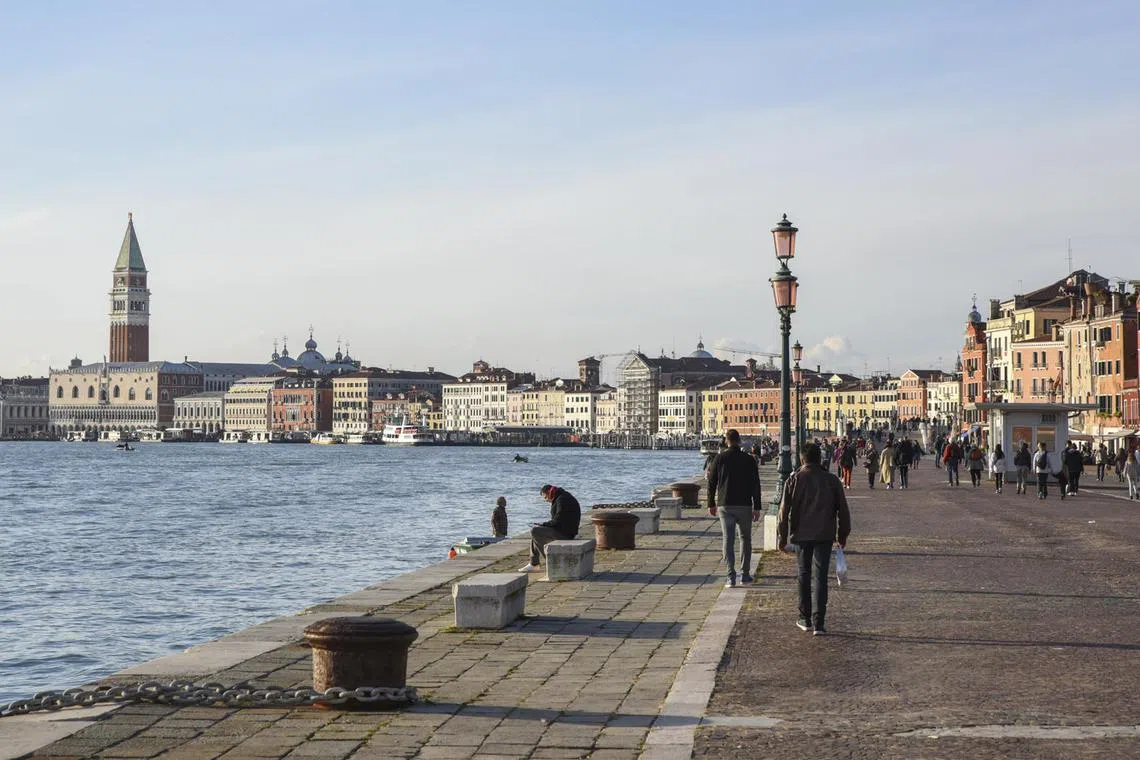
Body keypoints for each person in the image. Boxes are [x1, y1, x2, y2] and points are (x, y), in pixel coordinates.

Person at [777, 443, 852, 637]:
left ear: (802, 459)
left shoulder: (794, 480)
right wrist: (842, 535)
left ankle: (805, 618)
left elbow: (783, 512)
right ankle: (819, 623)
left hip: (801, 535)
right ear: (820, 459)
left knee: (803, 574)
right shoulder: (832, 480)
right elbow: (843, 510)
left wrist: (782, 538)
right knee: (821, 577)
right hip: (825, 534)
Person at [707, 429, 763, 588]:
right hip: (744, 504)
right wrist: (757, 507)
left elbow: (712, 483)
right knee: (745, 540)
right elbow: (755, 485)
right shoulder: (749, 460)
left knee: (728, 540)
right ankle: (745, 575)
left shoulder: (719, 458)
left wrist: (710, 503)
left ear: (726, 441)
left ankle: (730, 577)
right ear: (739, 441)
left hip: (725, 504)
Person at [518, 484, 580, 573]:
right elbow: (558, 520)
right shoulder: (562, 496)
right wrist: (543, 525)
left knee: (535, 531)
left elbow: (557, 520)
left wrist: (544, 524)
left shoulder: (562, 500)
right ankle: (533, 564)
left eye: (545, 497)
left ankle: (549, 562)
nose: (546, 500)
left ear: (549, 493)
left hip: (566, 534)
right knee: (536, 531)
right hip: (565, 530)